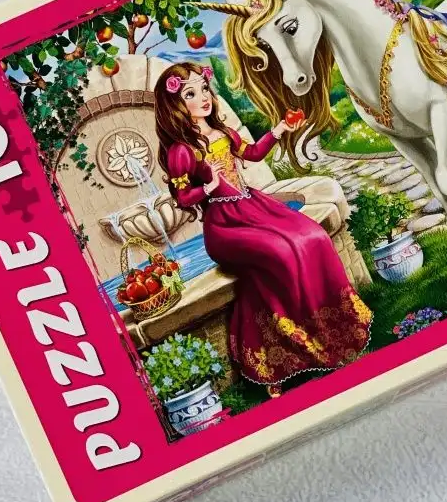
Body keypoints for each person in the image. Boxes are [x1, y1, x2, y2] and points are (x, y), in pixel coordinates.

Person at [154, 61, 371, 397]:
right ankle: (287, 348)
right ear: (175, 105)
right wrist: (208, 188)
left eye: (204, 88)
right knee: (281, 252)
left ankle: (330, 328)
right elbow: (182, 197)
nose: (203, 97)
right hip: (224, 225)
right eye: (191, 94)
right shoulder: (183, 151)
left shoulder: (223, 133)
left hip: (253, 205)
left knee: (312, 237)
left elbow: (253, 153)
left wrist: (279, 129)